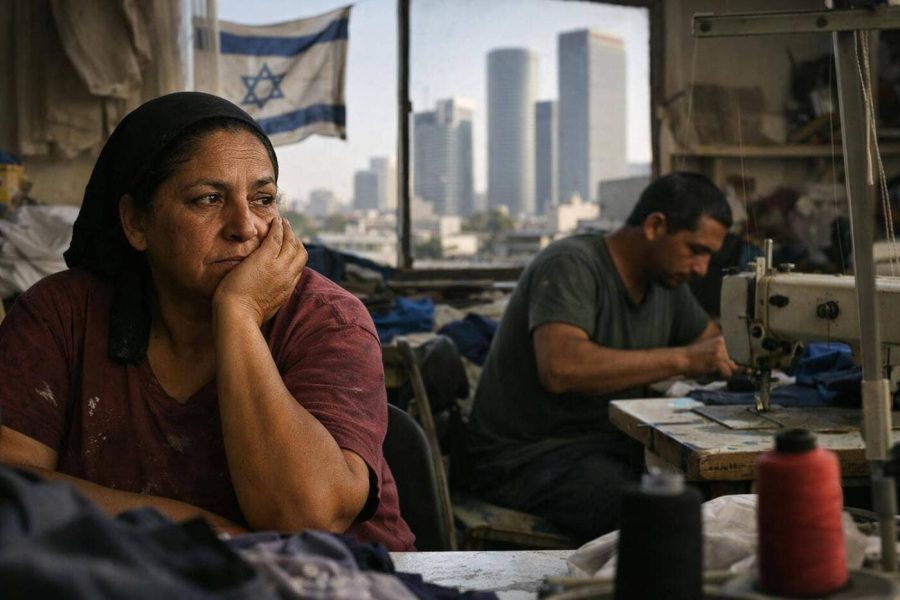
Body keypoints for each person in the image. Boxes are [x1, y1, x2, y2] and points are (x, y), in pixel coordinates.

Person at [0, 92, 414, 551]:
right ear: (136, 222)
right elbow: (9, 487)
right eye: (209, 199)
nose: (246, 226)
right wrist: (193, 528)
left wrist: (238, 314)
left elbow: (306, 519)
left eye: (263, 199)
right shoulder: (63, 315)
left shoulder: (328, 321)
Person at [466, 171, 736, 543]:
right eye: (696, 250)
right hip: (524, 458)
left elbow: (714, 346)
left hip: (601, 445)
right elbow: (561, 368)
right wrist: (685, 360)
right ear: (655, 226)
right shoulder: (571, 264)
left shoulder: (667, 283)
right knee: (662, 519)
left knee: (718, 501)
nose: (702, 269)